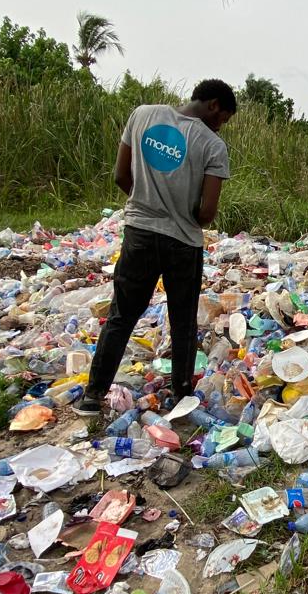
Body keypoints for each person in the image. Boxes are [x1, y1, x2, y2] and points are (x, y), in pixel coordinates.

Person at [74, 79, 237, 417]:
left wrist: (146, 204)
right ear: (214, 105)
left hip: (139, 234)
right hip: (182, 243)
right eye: (224, 118)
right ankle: (180, 394)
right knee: (182, 320)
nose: (221, 125)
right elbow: (206, 213)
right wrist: (180, 211)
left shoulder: (142, 116)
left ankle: (93, 394)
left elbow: (120, 175)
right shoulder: (212, 144)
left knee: (122, 314)